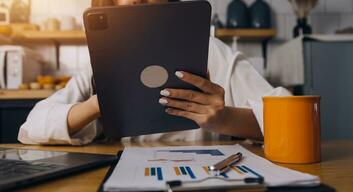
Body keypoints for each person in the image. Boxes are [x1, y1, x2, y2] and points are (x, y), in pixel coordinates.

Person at [18, 0, 290, 146]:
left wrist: (225, 118)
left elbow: (289, 119)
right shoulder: (101, 61)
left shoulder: (210, 51)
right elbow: (30, 128)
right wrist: (96, 105)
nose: (137, 0)